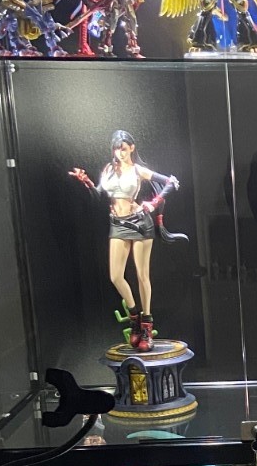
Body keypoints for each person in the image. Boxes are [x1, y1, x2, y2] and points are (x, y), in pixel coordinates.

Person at [69, 130, 182, 351]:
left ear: (131, 148)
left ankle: (147, 325)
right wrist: (87, 182)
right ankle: (134, 318)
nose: (119, 153)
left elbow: (171, 182)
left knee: (142, 275)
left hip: (140, 223)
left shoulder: (138, 170)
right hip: (118, 224)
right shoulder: (108, 170)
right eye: (116, 149)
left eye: (123, 148)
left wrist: (153, 203)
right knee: (115, 276)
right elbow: (99, 195)